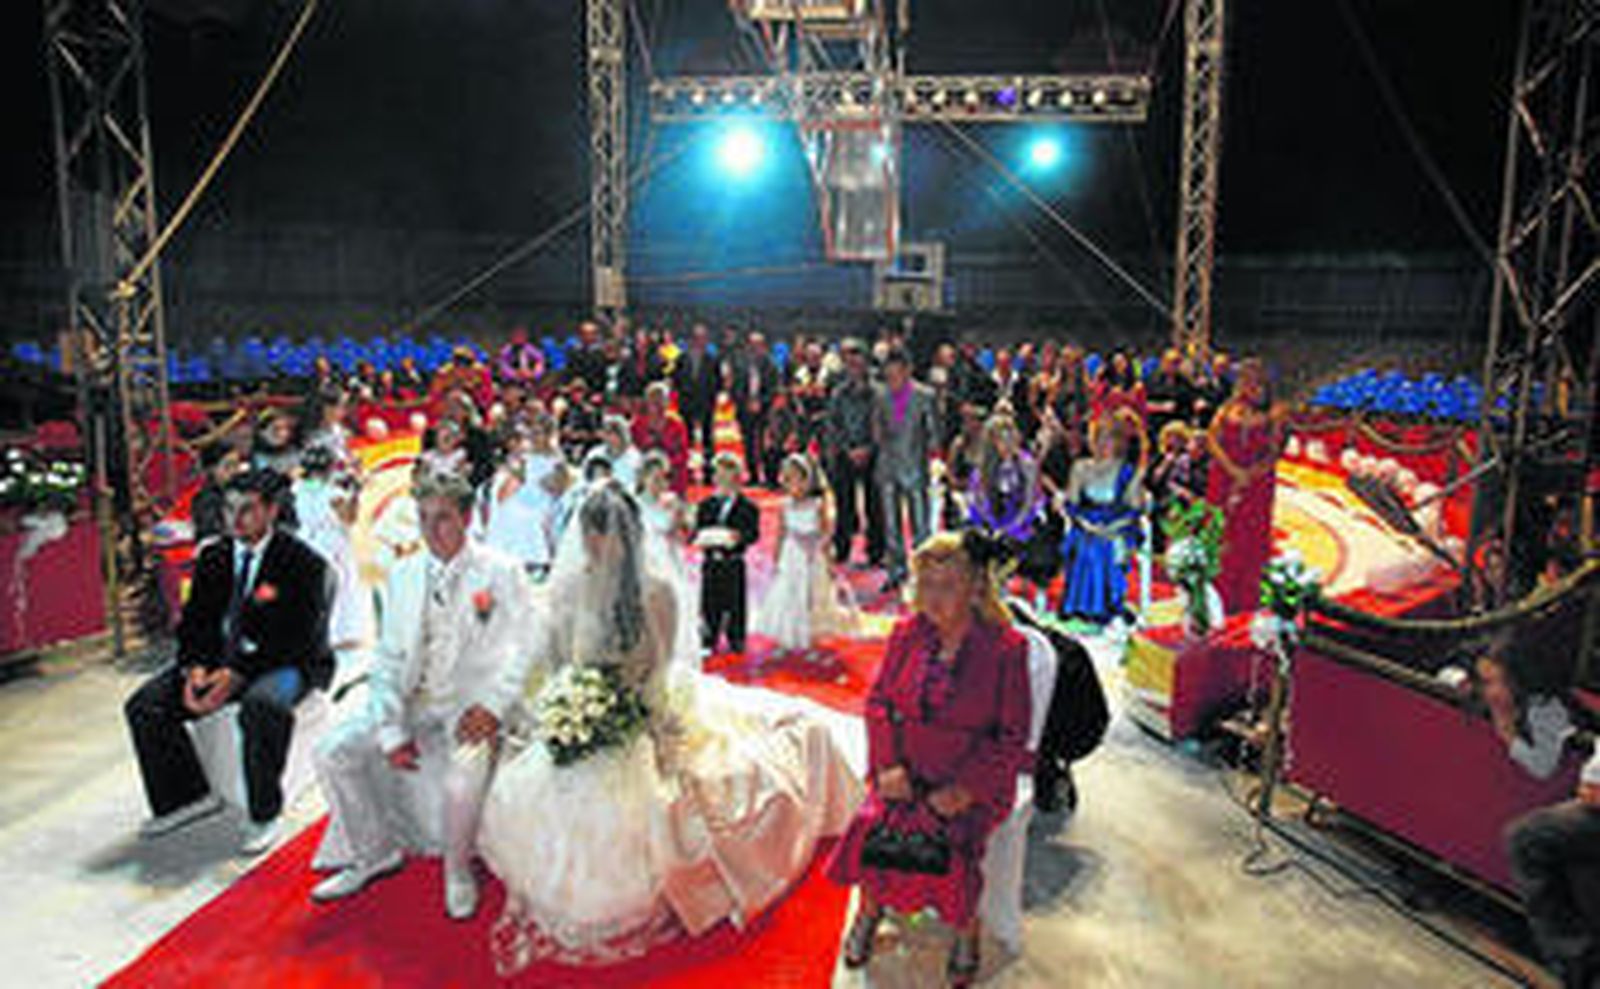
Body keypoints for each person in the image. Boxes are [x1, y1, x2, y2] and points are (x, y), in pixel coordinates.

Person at [479, 481, 861, 973]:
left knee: (667, 801)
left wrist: (633, 721)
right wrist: (561, 709)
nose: (596, 549)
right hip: (585, 707)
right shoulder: (572, 587)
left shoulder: (656, 591)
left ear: (628, 537)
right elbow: (555, 658)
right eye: (592, 538)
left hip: (640, 704)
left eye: (607, 537)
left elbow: (653, 671)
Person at [310, 469, 536, 919]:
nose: (431, 530)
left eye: (444, 518)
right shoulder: (405, 574)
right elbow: (390, 659)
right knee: (334, 751)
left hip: (472, 704)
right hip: (417, 700)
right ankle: (373, 853)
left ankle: (456, 871)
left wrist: (493, 707)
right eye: (423, 517)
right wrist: (391, 729)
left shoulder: (502, 570)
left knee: (461, 781)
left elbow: (528, 646)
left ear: (468, 518)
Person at [827, 530, 1032, 988]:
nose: (933, 598)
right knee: (872, 823)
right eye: (927, 585)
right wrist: (886, 766)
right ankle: (870, 909)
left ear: (975, 587)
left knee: (951, 840)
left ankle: (965, 929)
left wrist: (964, 790)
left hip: (969, 780)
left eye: (947, 585)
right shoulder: (906, 633)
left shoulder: (1006, 648)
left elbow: (1012, 738)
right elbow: (878, 703)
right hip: (904, 770)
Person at [124, 469, 332, 854]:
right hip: (221, 660)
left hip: (288, 663)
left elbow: (295, 639)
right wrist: (194, 668)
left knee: (262, 706)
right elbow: (195, 623)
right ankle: (184, 797)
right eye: (229, 509)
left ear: (271, 511)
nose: (235, 520)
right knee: (145, 705)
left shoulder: (302, 562)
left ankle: (264, 813)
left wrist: (236, 677)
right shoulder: (214, 557)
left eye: (247, 510)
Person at [751, 453, 857, 654]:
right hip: (792, 557)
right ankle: (787, 637)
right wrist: (777, 557)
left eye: (799, 479)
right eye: (789, 480)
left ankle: (809, 636)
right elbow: (781, 534)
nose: (795, 486)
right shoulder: (785, 506)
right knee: (790, 594)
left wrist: (827, 559)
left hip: (811, 556)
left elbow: (826, 532)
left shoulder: (817, 505)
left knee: (810, 596)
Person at [1205, 359, 1286, 614]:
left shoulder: (1276, 413)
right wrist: (1232, 470)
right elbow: (1212, 439)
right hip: (1223, 477)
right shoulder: (1227, 408)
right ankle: (1216, 589)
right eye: (1244, 380)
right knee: (1222, 531)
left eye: (1253, 380)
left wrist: (1249, 475)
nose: (1248, 385)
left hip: (1256, 484)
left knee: (1249, 535)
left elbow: (1274, 453)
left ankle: (1246, 595)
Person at [1058, 414, 1145, 626]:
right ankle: (1079, 605)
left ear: (1119, 443)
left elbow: (1135, 509)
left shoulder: (1128, 471)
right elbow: (1071, 504)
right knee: (1086, 542)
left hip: (1119, 524)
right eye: (1099, 438)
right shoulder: (1080, 467)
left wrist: (1114, 526)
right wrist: (1086, 523)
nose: (1102, 445)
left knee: (1105, 544)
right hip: (1086, 522)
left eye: (1109, 439)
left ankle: (1108, 604)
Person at [293, 446, 372, 658]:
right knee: (341, 586)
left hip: (305, 540)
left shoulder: (298, 488)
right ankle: (339, 634)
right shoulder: (332, 494)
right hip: (330, 542)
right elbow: (349, 518)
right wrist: (356, 494)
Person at [873, 348, 939, 594]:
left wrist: (932, 456)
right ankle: (896, 571)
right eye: (888, 376)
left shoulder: (925, 395)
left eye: (896, 375)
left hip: (915, 466)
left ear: (908, 371)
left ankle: (924, 573)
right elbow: (877, 428)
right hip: (887, 467)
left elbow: (934, 433)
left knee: (920, 524)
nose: (893, 381)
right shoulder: (881, 395)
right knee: (891, 525)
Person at [481, 412, 568, 580]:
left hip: (543, 498)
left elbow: (560, 486)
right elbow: (515, 475)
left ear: (549, 435)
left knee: (527, 516)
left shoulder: (556, 458)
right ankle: (503, 557)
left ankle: (535, 559)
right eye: (532, 433)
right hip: (523, 494)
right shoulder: (524, 455)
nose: (534, 437)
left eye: (539, 433)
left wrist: (549, 483)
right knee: (505, 510)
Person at [824, 338, 885, 570]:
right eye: (848, 360)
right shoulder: (838, 393)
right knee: (844, 505)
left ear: (866, 360)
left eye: (857, 358)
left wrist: (868, 448)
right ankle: (842, 549)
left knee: (874, 506)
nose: (853, 364)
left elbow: (884, 425)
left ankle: (877, 551)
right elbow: (833, 425)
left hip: (874, 455)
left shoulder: (879, 393)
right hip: (845, 455)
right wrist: (848, 449)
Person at [636, 451, 699, 668]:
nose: (659, 483)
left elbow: (682, 536)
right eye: (654, 478)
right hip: (645, 558)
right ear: (643, 478)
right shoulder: (635, 504)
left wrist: (680, 522)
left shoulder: (672, 502)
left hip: (669, 557)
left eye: (663, 477)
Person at [694, 452, 760, 655]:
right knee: (709, 601)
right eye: (719, 476)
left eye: (729, 476)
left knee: (735, 601)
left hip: (733, 561)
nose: (723, 481)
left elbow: (753, 534)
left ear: (737, 479)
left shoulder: (748, 507)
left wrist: (739, 537)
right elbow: (698, 530)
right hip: (711, 561)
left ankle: (736, 637)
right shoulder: (705, 505)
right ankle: (709, 636)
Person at [725, 332, 782, 487]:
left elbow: (774, 388)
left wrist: (761, 403)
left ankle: (770, 476)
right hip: (744, 409)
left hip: (765, 410)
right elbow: (734, 387)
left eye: (758, 345)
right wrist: (745, 403)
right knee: (748, 443)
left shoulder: (771, 365)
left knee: (766, 444)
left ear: (763, 346)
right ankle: (753, 475)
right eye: (752, 345)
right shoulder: (739, 363)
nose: (755, 348)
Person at [672, 324, 721, 483]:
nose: (700, 341)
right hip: (686, 403)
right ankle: (688, 472)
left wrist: (712, 398)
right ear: (692, 339)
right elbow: (675, 380)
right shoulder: (681, 358)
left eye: (703, 338)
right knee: (686, 440)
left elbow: (718, 382)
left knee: (708, 440)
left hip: (706, 403)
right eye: (697, 338)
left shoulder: (712, 359)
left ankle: (708, 472)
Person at [632, 381, 691, 495]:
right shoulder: (637, 424)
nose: (657, 405)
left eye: (661, 400)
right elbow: (632, 453)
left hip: (672, 479)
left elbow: (683, 454)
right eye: (653, 400)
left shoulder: (676, 424)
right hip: (645, 477)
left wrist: (664, 466)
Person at [191, 442, 244, 544]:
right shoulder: (207, 499)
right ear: (211, 470)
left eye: (237, 465)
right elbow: (210, 534)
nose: (234, 471)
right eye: (228, 467)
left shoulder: (239, 490)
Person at [593, 414, 643, 492]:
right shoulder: (596, 454)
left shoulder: (635, 458)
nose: (609, 437)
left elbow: (636, 486)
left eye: (614, 433)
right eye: (607, 433)